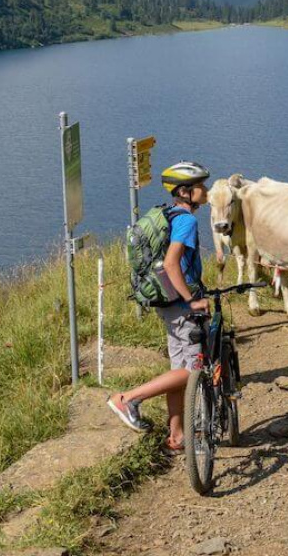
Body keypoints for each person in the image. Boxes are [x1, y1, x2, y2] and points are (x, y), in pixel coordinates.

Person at [108, 160, 211, 453]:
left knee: (177, 372)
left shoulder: (169, 214)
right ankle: (127, 399)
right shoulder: (187, 221)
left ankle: (177, 436)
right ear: (185, 191)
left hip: (167, 303)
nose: (206, 190)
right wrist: (191, 300)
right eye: (201, 185)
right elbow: (170, 263)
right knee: (193, 372)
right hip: (181, 305)